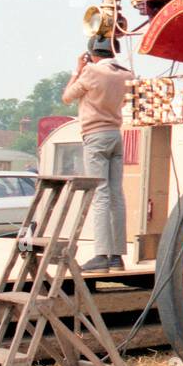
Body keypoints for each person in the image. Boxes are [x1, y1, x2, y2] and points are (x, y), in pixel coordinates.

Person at [62, 34, 134, 273]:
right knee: (116, 195)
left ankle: (101, 254)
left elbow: (67, 96)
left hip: (95, 135)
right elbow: (124, 101)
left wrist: (78, 70)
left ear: (91, 53)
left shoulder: (91, 72)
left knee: (100, 195)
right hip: (115, 135)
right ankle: (117, 257)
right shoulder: (126, 74)